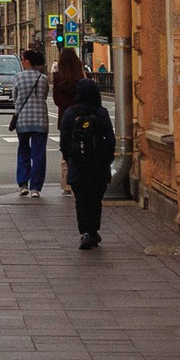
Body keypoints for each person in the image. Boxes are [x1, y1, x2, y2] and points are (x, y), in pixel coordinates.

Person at [59, 78, 118, 248]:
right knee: (95, 198)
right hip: (98, 164)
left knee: (81, 199)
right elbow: (110, 138)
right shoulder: (101, 112)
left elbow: (64, 140)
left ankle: (85, 231)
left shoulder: (70, 113)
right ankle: (93, 231)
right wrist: (108, 158)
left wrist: (69, 158)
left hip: (78, 164)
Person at [10, 45, 51, 198]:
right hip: (40, 120)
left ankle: (22, 184)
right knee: (39, 154)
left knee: (23, 151)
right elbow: (44, 96)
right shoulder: (43, 78)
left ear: (27, 61)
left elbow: (15, 98)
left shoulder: (18, 77)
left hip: (23, 121)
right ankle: (36, 188)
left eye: (22, 59)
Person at [50, 46, 86, 190]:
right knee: (83, 148)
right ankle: (80, 179)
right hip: (83, 118)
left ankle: (67, 183)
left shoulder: (58, 77)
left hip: (65, 118)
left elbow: (57, 101)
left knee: (66, 150)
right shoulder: (83, 77)